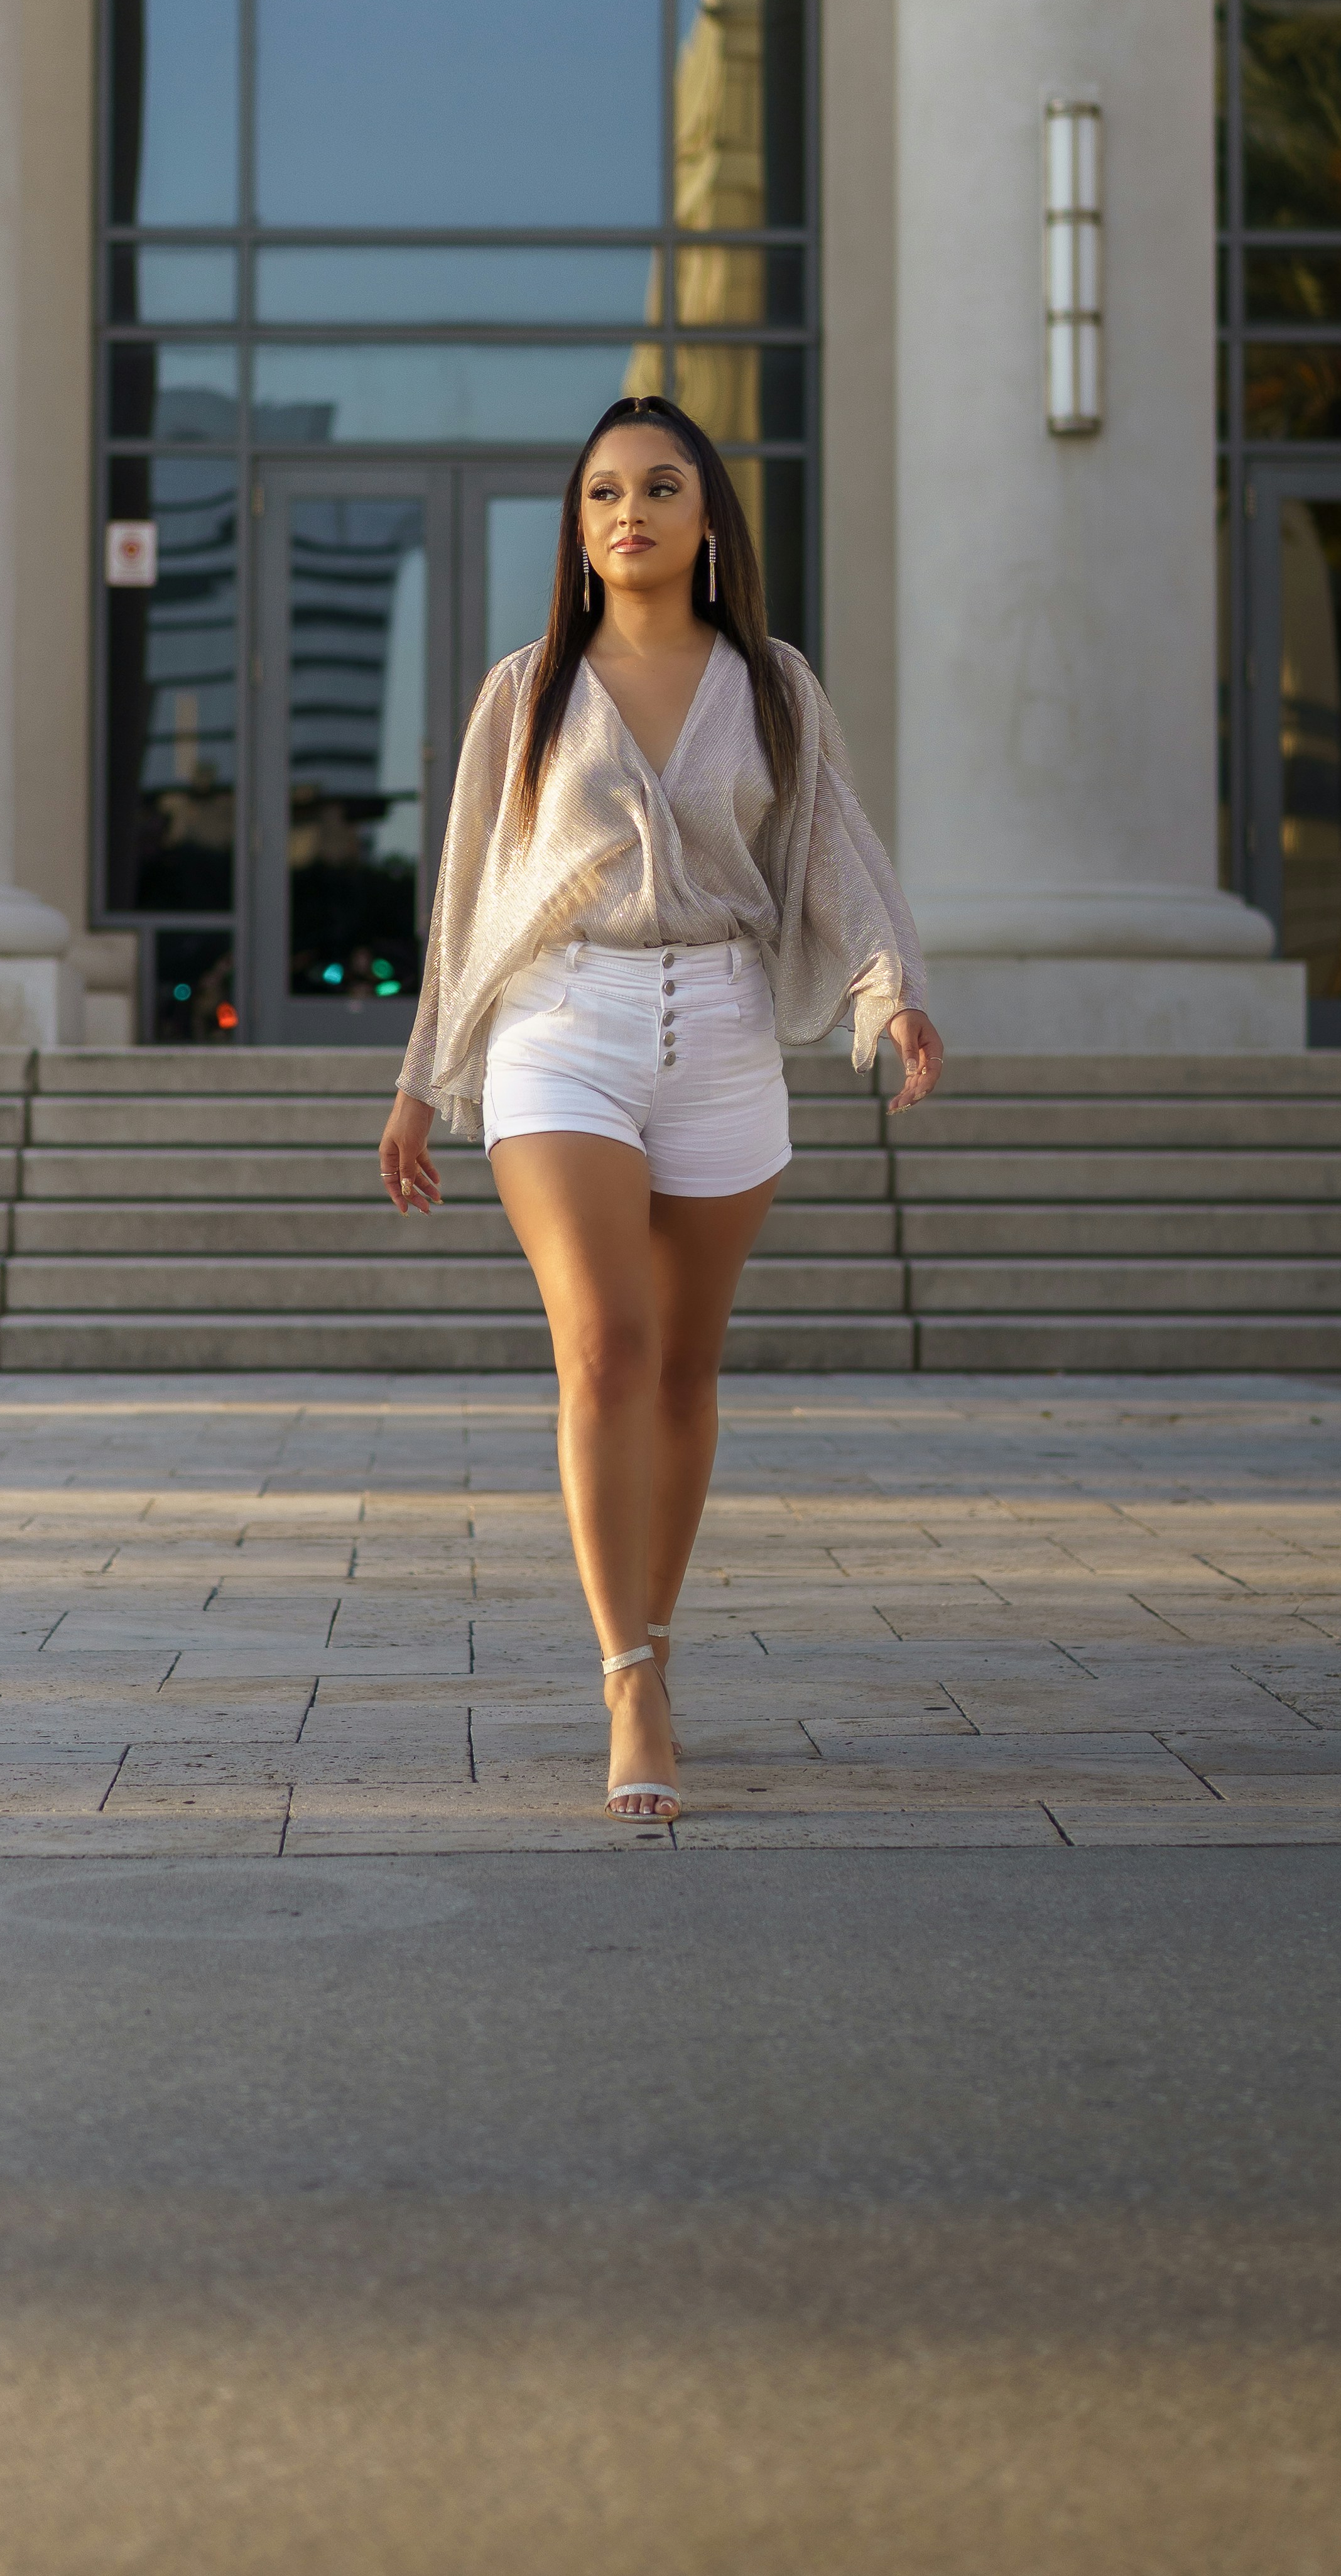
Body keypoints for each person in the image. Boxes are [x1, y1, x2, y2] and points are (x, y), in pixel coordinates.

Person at [377, 396, 941, 1824]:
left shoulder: (772, 686)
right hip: (562, 1027)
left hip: (727, 1033)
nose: (627, 511)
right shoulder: (526, 692)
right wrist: (421, 1076)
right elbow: (465, 893)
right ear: (579, 533)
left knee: (685, 1368)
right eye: (602, 494)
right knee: (607, 1348)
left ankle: (658, 1639)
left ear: (707, 521)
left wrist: (890, 995)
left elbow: (834, 852)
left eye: (659, 487)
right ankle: (627, 1677)